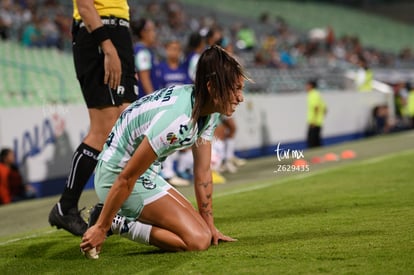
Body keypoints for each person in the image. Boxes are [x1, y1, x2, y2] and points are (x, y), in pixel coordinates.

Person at [80, 45, 247, 256]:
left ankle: (116, 218)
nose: (240, 97)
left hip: (144, 175)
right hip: (115, 177)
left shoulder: (208, 110)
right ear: (212, 87)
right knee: (197, 241)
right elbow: (127, 177)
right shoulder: (177, 119)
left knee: (204, 233)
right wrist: (101, 228)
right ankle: (116, 222)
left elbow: (203, 172)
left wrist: (210, 226)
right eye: (235, 89)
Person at [48, 0, 137, 236]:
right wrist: (107, 46)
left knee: (128, 126)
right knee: (105, 128)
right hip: (98, 35)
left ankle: (111, 210)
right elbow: (85, 5)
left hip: (120, 33)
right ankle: (66, 206)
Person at [131, 18, 159, 98]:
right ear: (143, 33)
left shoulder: (144, 50)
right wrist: (153, 100)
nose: (155, 33)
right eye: (152, 30)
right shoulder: (142, 52)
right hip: (144, 99)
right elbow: (145, 79)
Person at [306, 79, 327, 148]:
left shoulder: (313, 94)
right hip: (318, 121)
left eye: (307, 85)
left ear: (311, 86)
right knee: (317, 141)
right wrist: (321, 117)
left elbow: (316, 107)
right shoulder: (317, 94)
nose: (306, 87)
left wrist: (314, 120)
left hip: (314, 122)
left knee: (312, 142)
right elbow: (325, 108)